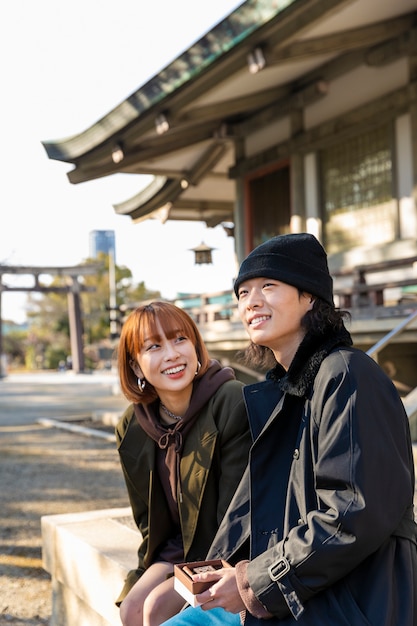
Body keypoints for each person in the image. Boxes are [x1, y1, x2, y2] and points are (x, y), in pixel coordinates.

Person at [161, 233, 417, 626]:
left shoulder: (346, 375)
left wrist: (252, 583)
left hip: (348, 602)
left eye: (268, 286)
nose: (251, 302)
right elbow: (252, 515)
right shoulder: (286, 392)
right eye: (242, 292)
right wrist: (216, 576)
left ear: (310, 296)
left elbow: (352, 511)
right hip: (293, 593)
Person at [115, 301, 251, 626]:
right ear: (136, 367)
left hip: (228, 549)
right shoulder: (133, 426)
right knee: (131, 609)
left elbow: (238, 515)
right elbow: (150, 523)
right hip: (177, 549)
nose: (172, 354)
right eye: (154, 347)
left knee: (157, 607)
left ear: (195, 345)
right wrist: (146, 572)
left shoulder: (231, 401)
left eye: (179, 340)